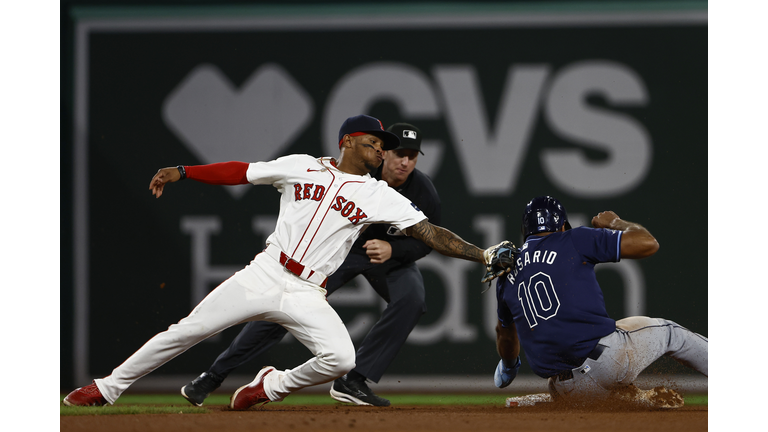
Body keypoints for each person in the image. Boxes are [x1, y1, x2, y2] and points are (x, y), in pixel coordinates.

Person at [63, 114, 506, 410]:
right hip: (266, 272)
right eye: (373, 144)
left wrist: (481, 253)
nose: (380, 153)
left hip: (308, 291)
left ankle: (268, 385)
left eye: (382, 147)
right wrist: (185, 171)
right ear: (348, 142)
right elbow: (242, 171)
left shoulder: (379, 193)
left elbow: (430, 232)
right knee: (188, 330)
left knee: (340, 359)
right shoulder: (302, 166)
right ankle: (106, 388)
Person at [179, 123, 438, 407]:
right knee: (280, 304)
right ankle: (214, 376)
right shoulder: (361, 167)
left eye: (412, 156)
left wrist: (394, 248)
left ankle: (353, 380)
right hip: (337, 253)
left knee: (412, 300)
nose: (405, 161)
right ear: (383, 151)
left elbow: (429, 240)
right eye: (399, 153)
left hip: (388, 259)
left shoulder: (423, 190)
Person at [493, 196, 708, 408]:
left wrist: (509, 367)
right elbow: (647, 244)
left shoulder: (506, 275)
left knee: (614, 340)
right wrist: (616, 223)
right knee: (671, 334)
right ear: (562, 227)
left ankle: (633, 399)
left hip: (566, 389)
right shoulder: (574, 239)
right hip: (607, 363)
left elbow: (507, 339)